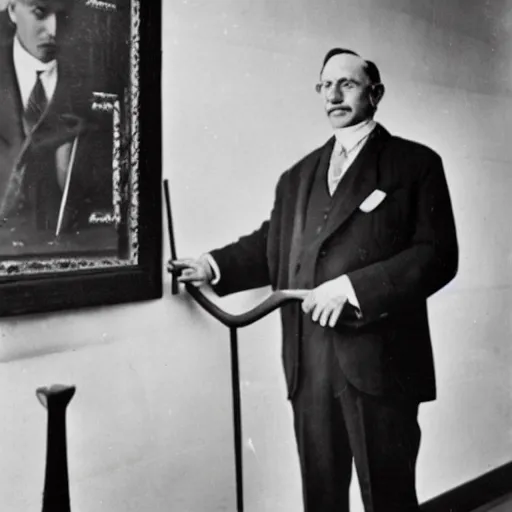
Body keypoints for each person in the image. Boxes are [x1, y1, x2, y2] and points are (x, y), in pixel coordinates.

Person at [169, 48, 459, 511]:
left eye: (347, 83)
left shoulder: (415, 165)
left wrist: (352, 289)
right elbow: (272, 245)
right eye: (326, 86)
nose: (334, 94)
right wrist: (211, 265)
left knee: (389, 499)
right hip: (310, 367)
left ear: (375, 93)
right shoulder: (297, 177)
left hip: (379, 366)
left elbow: (438, 255)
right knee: (321, 500)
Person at [0, 0, 113, 244]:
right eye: (39, 13)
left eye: (63, 16)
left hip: (65, 247)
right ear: (11, 9)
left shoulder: (96, 84)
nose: (52, 30)